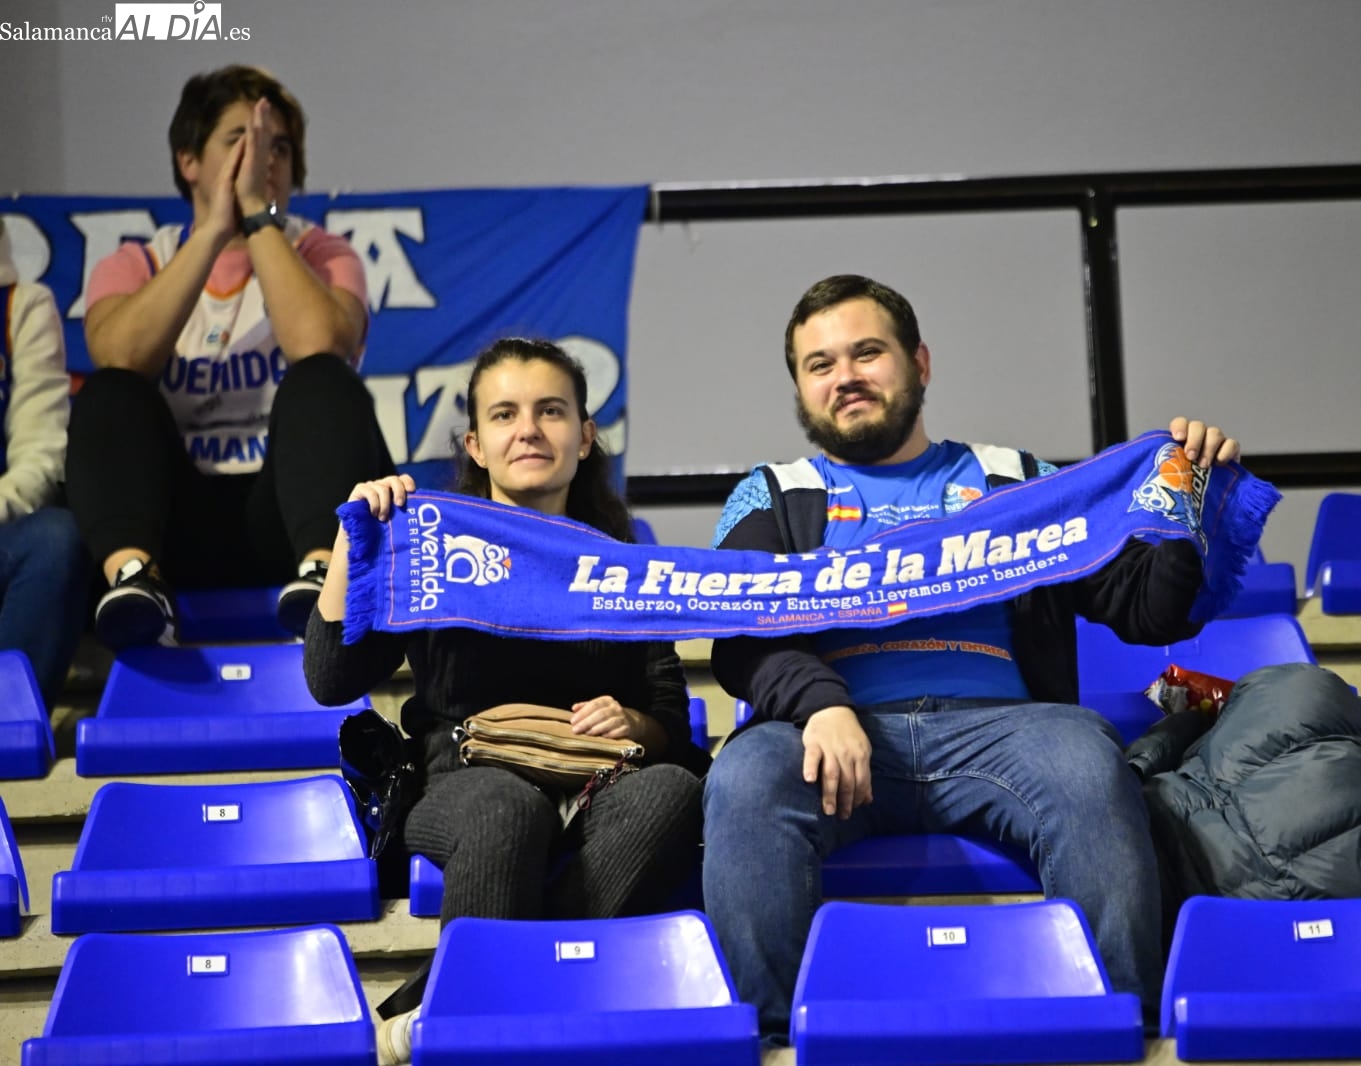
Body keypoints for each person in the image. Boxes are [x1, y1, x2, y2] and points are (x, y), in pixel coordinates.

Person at [703, 274, 1241, 1040]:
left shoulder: (1013, 480)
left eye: (867, 353)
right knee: (746, 778)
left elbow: (1144, 608)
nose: (845, 376)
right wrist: (822, 704)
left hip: (1006, 732)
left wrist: (1186, 514)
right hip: (834, 735)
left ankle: (1124, 1032)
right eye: (820, 364)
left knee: (1087, 764)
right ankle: (771, 1043)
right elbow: (742, 633)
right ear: (800, 388)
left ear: (919, 363)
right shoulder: (770, 493)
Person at [304, 338, 710, 1066]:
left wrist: (634, 724)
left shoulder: (621, 560)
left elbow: (671, 726)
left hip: (593, 783)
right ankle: (478, 1022)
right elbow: (331, 678)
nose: (528, 430)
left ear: (584, 437)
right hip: (464, 784)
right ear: (476, 444)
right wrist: (352, 536)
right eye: (504, 414)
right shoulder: (429, 544)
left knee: (672, 790)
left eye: (551, 411)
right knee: (506, 808)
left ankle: (448, 1005)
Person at [67, 64, 393, 648]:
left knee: (324, 380)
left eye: (279, 147)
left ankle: (324, 580)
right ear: (189, 160)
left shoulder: (324, 254)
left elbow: (319, 345)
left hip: (289, 517)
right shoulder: (136, 263)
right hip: (175, 521)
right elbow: (120, 354)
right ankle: (135, 579)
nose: (262, 158)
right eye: (240, 139)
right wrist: (214, 231)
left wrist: (258, 217)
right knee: (111, 390)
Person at [0, 219, 89, 709]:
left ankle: (9, 726)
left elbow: (40, 451)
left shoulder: (20, 305)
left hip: (5, 527)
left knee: (57, 538)